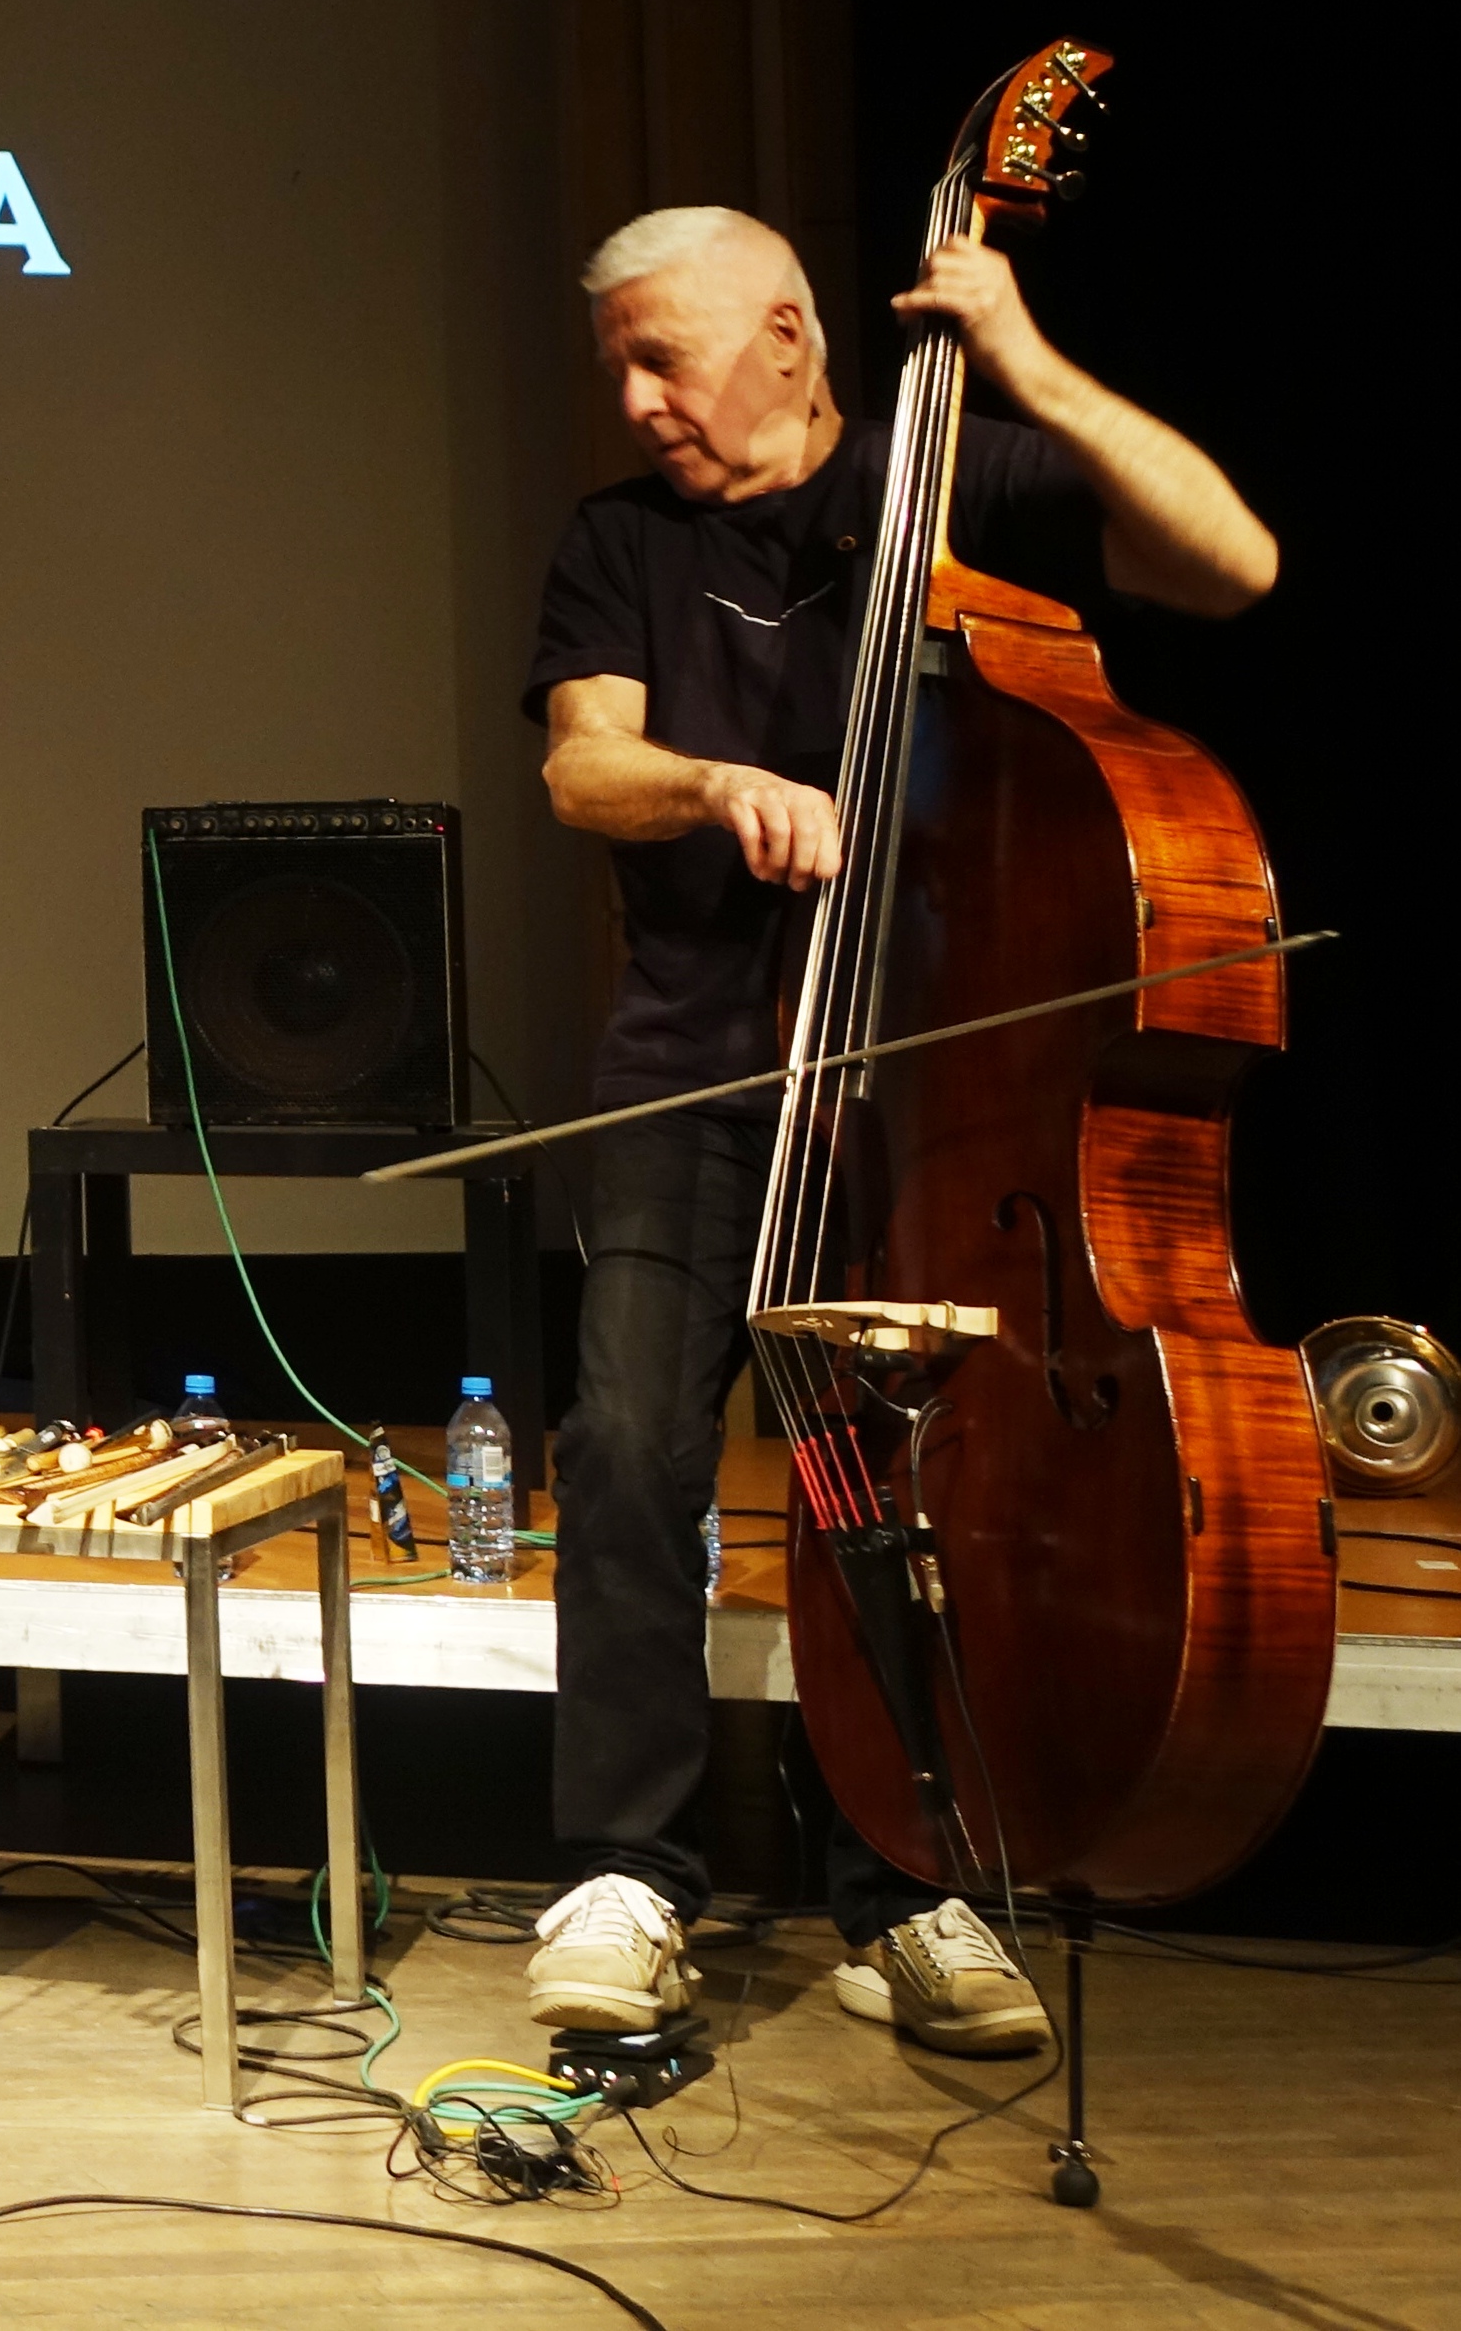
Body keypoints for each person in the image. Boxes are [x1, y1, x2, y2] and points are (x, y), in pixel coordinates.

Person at [519, 207, 1275, 2059]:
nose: (634, 400)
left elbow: (1233, 562)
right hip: (701, 1066)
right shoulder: (619, 543)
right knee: (628, 1450)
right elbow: (578, 765)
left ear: (787, 336)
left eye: (661, 359)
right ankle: (626, 1870)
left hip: (945, 1087)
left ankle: (915, 1878)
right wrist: (719, 782)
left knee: (913, 1482)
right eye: (615, 365)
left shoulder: (960, 480)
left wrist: (1017, 352)